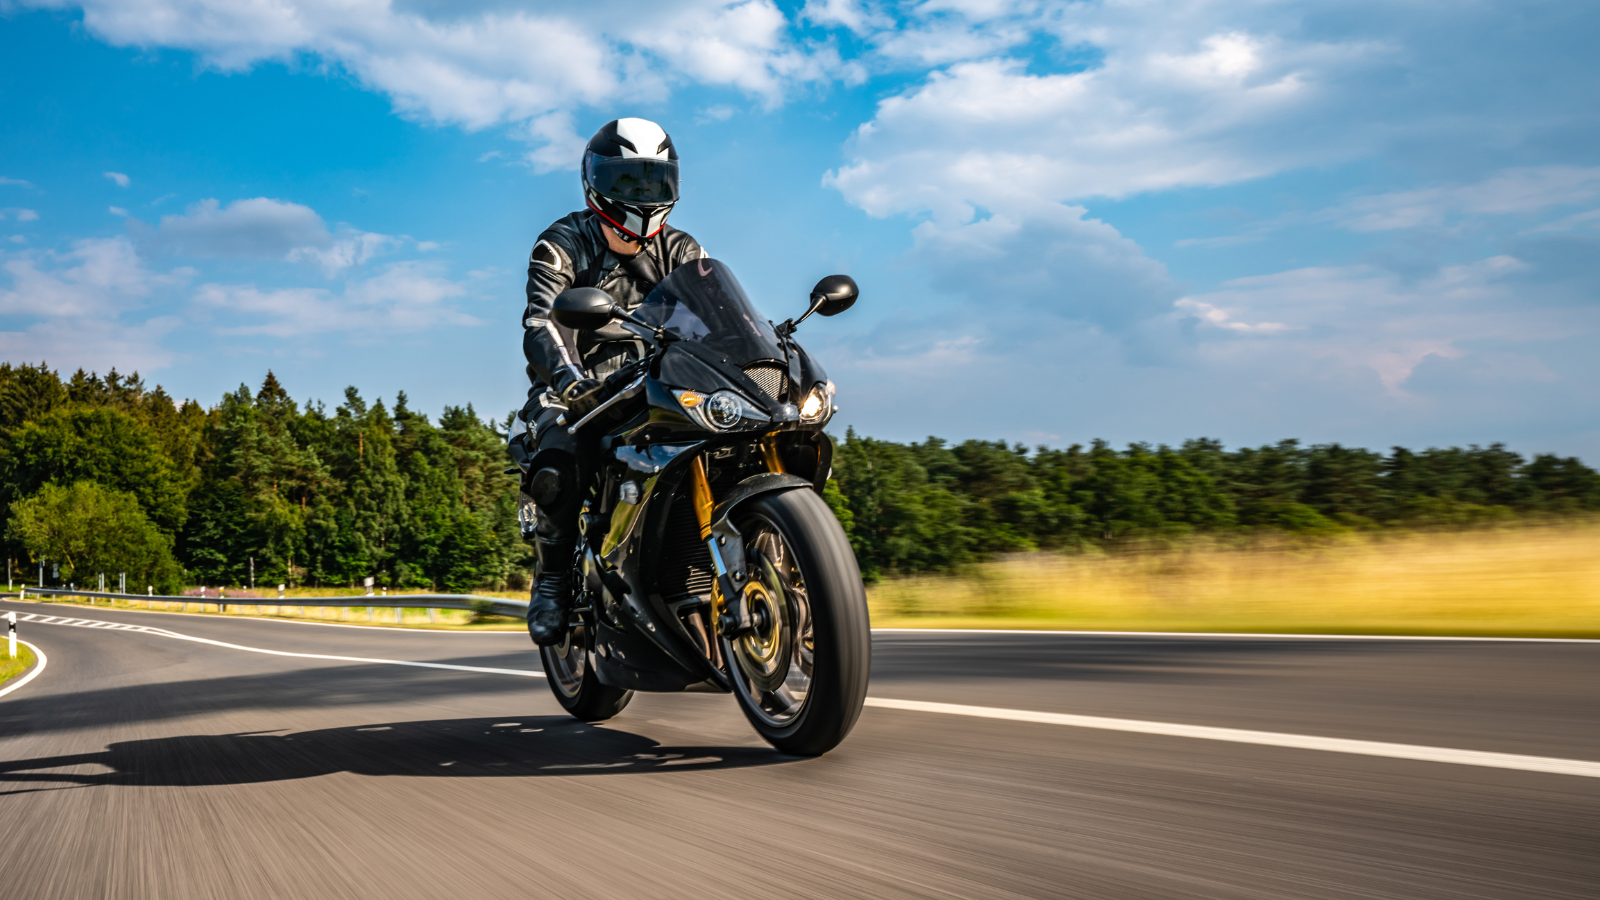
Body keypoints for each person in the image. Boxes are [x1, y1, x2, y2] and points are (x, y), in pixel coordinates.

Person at [515, 117, 707, 646]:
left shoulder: (684, 249)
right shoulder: (561, 242)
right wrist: (570, 383)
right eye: (626, 181)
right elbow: (541, 322)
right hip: (578, 386)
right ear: (595, 181)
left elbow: (714, 316)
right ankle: (552, 578)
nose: (641, 195)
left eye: (652, 181)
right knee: (560, 460)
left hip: (657, 381)